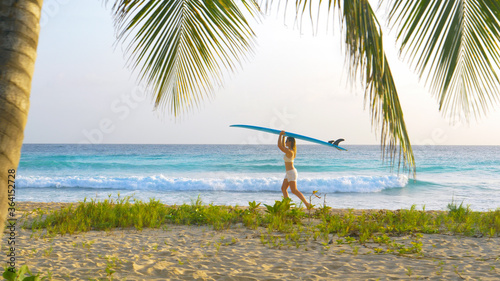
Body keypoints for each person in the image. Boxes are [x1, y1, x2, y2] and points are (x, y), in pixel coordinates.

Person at [278, 131, 311, 208]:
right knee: (283, 188)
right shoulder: (289, 150)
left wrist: (280, 135)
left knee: (294, 190)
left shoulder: (290, 152)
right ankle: (287, 204)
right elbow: (282, 145)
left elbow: (280, 146)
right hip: (288, 173)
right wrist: (283, 137)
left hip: (291, 173)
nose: (285, 142)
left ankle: (307, 204)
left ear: (290, 142)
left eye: (286, 141)